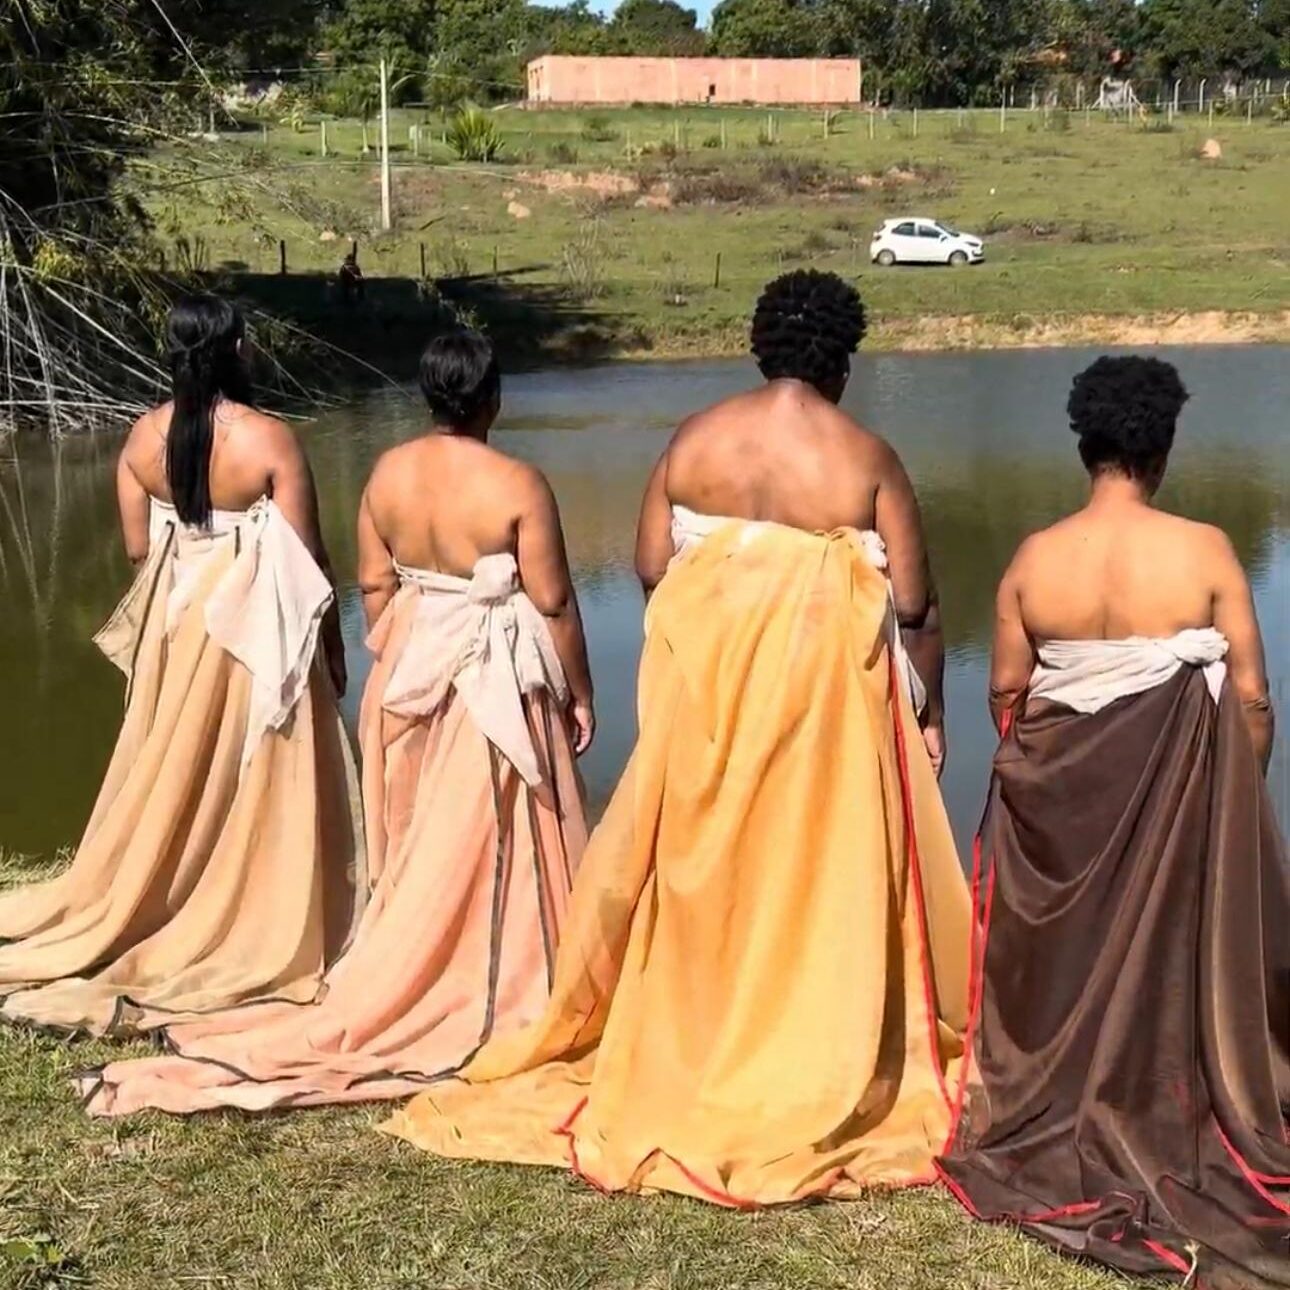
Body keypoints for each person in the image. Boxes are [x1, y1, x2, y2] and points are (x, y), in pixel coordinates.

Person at [384, 271, 971, 1206]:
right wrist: (931, 707)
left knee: (711, 873)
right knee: (811, 874)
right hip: (821, 717)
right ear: (842, 361)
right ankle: (803, 1041)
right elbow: (915, 602)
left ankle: (700, 1033)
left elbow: (653, 565)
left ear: (760, 346)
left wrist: (736, 607)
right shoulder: (867, 456)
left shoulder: (695, 440)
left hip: (710, 706)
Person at [82, 329, 591, 1115]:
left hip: (410, 663)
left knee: (420, 825)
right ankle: (494, 965)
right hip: (487, 668)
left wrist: (394, 659)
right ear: (492, 398)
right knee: (483, 829)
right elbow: (552, 600)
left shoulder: (386, 474)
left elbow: (372, 586)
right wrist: (579, 690)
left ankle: (405, 949)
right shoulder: (518, 481)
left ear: (429, 397)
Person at [938, 357, 1289, 1288]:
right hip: (1180, 803)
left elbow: (1008, 697)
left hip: (1063, 805)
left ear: (1084, 446)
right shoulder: (1208, 550)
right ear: (1162, 449)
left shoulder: (1032, 559)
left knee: (1072, 959)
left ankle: (1064, 1101)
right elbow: (1251, 700)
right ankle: (1160, 1099)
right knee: (1167, 962)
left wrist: (1061, 785)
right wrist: (1229, 797)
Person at [0, 294, 363, 1035]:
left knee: (175, 766)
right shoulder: (269, 440)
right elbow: (308, 559)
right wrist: (330, 646)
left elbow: (139, 551)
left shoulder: (142, 437)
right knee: (255, 767)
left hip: (178, 623)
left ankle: (167, 885)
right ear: (234, 350)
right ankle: (251, 897)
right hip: (249, 623)